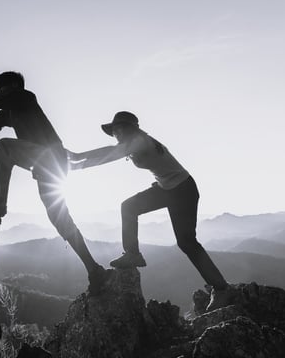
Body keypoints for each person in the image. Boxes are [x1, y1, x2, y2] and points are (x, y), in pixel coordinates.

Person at [0, 72, 107, 294]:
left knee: (4, 147)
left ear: (15, 86)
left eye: (3, 89)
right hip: (44, 162)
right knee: (58, 218)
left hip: (51, 157)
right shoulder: (8, 111)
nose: (0, 93)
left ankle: (1, 203)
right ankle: (94, 270)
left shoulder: (26, 98)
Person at [70, 111, 232, 310]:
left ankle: (222, 289)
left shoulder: (139, 140)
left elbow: (108, 155)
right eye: (113, 132)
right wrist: (77, 159)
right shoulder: (133, 143)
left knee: (187, 242)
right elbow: (111, 151)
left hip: (183, 190)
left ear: (129, 129)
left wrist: (77, 160)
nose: (116, 134)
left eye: (118, 129)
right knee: (129, 207)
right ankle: (132, 254)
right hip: (166, 188)